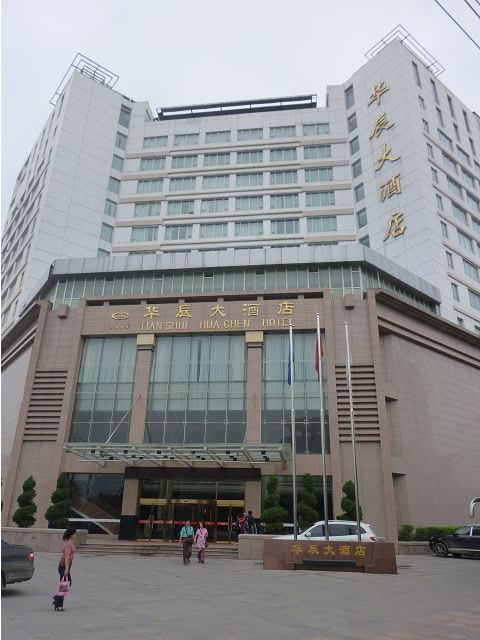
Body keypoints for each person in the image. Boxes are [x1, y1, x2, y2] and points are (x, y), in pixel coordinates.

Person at [52, 526, 77, 612]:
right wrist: (66, 568)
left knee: (65, 585)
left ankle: (57, 601)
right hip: (63, 566)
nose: (75, 535)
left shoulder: (68, 542)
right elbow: (66, 556)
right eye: (75, 533)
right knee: (65, 585)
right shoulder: (69, 544)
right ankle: (58, 604)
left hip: (64, 566)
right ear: (71, 534)